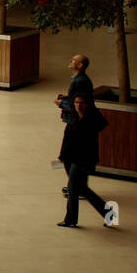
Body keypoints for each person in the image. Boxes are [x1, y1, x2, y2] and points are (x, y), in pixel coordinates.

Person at [57, 94, 117, 228]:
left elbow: (86, 144)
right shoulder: (75, 117)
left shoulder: (89, 121)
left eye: (82, 103)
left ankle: (71, 219)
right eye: (77, 102)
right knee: (83, 189)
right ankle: (109, 213)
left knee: (73, 189)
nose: (79, 105)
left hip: (80, 160)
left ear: (88, 104)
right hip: (73, 159)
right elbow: (67, 139)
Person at [56, 54, 94, 187]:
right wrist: (67, 97)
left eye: (74, 60)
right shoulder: (79, 80)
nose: (70, 61)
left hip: (76, 123)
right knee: (71, 156)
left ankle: (77, 186)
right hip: (74, 122)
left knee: (68, 156)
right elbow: (76, 99)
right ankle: (76, 185)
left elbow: (78, 105)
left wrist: (60, 103)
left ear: (80, 65)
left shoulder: (80, 81)